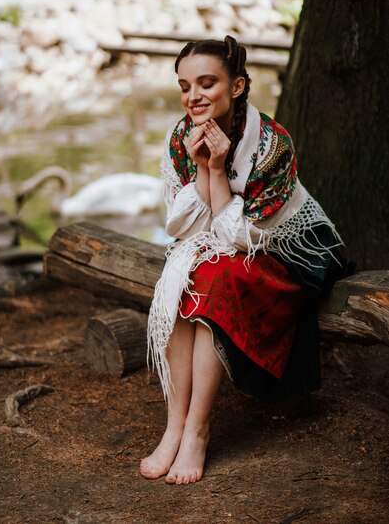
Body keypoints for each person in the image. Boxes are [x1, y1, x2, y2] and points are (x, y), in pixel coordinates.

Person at [139, 35, 351, 485]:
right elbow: (181, 228)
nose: (193, 96)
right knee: (182, 278)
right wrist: (201, 167)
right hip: (225, 247)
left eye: (206, 83)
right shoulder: (182, 136)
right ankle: (174, 425)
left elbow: (239, 240)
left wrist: (219, 170)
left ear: (236, 87)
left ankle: (197, 431)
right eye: (184, 86)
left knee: (213, 275)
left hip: (285, 252)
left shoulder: (272, 144)